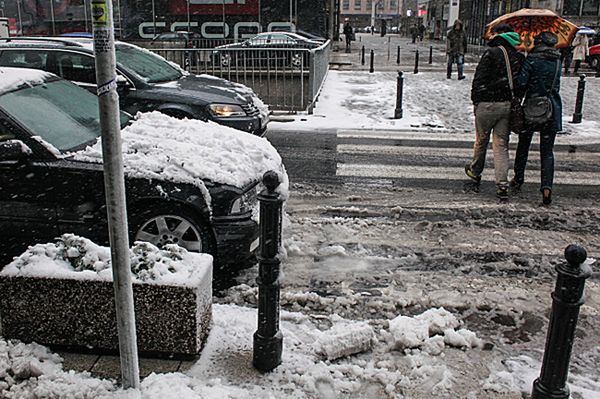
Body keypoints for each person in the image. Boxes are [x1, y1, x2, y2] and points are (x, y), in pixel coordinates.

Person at [465, 24, 524, 199]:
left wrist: (476, 100)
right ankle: (502, 184)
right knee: (501, 145)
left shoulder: (491, 53)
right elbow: (521, 84)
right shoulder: (518, 56)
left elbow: (479, 79)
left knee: (481, 140)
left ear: (499, 35)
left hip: (486, 104)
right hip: (506, 105)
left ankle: (475, 172)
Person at [511, 31, 563, 206]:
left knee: (523, 146)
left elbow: (521, 85)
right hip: (552, 108)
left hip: (532, 108)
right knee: (547, 152)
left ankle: (518, 179)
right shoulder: (557, 60)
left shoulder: (532, 60)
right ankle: (546, 187)